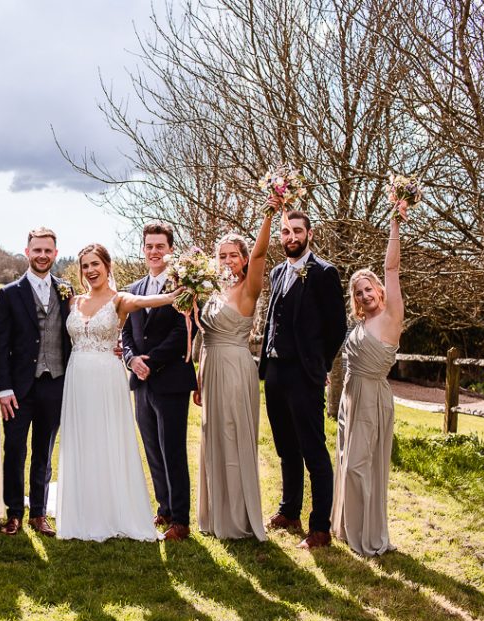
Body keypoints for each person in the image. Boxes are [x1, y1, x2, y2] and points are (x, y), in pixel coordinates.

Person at [57, 244, 180, 541]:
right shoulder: (72, 300)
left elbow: (144, 300)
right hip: (77, 377)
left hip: (107, 377)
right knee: (81, 439)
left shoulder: (119, 299)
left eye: (96, 264)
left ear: (107, 266)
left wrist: (176, 295)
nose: (91, 270)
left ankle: (114, 510)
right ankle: (82, 509)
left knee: (108, 438)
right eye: (85, 265)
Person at [259, 209, 347, 548]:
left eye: (297, 231)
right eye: (285, 232)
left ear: (309, 234)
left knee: (313, 450)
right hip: (275, 372)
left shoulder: (325, 272)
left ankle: (320, 528)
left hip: (305, 374)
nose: (290, 237)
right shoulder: (278, 271)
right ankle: (289, 510)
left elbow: (336, 326)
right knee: (285, 447)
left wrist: (318, 365)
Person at [195, 196, 281, 541]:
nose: (227, 260)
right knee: (211, 435)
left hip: (234, 366)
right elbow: (203, 337)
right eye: (222, 255)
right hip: (211, 366)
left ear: (244, 260)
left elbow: (261, 254)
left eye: (233, 254)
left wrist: (269, 213)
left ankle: (238, 517)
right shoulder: (212, 290)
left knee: (232, 433)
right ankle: (215, 512)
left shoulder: (250, 287)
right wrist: (199, 379)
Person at [331, 202, 405, 555]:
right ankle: (348, 526)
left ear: (379, 288)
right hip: (350, 396)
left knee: (361, 464)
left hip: (373, 398)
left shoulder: (392, 315)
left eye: (368, 288)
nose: (364, 295)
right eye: (358, 292)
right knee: (347, 460)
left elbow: (392, 266)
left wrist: (395, 222)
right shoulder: (359, 324)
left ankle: (367, 534)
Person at [121, 222, 197, 541]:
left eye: (160, 246)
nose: (154, 252)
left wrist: (149, 362)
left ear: (170, 250)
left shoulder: (184, 288)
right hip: (141, 383)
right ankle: (164, 508)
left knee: (172, 450)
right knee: (152, 448)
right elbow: (126, 332)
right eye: (149, 246)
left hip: (170, 381)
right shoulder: (135, 289)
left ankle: (180, 519)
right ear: (143, 250)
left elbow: (184, 334)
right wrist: (131, 359)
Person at [0, 228, 72, 537]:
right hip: (18, 387)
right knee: (14, 448)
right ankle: (14, 512)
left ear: (55, 253)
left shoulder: (66, 291)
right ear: (27, 252)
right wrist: (4, 388)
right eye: (36, 250)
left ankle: (38, 514)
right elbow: (1, 345)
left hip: (54, 382)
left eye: (47, 250)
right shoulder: (10, 292)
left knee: (44, 450)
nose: (42, 255)